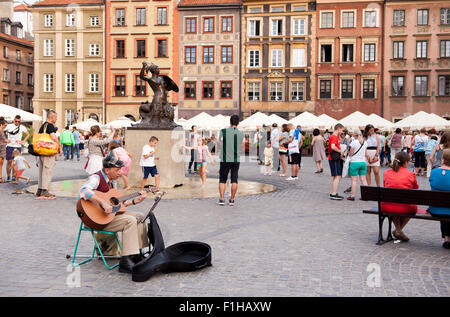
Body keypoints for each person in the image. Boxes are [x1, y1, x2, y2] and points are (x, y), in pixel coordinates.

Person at [78, 156, 150, 273]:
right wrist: (102, 202)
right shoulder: (96, 177)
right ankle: (126, 260)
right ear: (107, 170)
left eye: (120, 170)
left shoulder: (112, 183)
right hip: (97, 219)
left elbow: (118, 204)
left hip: (109, 217)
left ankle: (138, 253)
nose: (120, 173)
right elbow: (83, 191)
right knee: (130, 220)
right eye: (117, 170)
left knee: (140, 217)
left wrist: (134, 201)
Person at [381, 152, 419, 241]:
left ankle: (398, 229)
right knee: (409, 207)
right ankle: (398, 230)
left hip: (387, 206)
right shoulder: (410, 174)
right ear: (406, 162)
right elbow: (415, 189)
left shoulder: (386, 173)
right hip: (405, 207)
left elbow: (385, 186)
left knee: (394, 202)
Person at [218, 115, 244, 206]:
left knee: (222, 180)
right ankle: (232, 200)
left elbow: (220, 143)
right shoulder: (241, 133)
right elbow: (240, 144)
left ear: (230, 122)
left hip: (225, 158)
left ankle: (221, 199)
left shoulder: (223, 131)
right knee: (234, 179)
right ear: (238, 123)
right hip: (236, 159)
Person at [36, 110, 62, 199]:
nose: (56, 119)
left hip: (41, 152)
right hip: (48, 152)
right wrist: (60, 148)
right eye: (56, 117)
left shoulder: (43, 126)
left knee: (42, 171)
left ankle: (40, 189)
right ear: (52, 117)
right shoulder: (50, 126)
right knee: (47, 171)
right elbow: (54, 138)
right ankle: (44, 190)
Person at [429, 149, 450, 249]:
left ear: (443, 160)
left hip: (436, 209)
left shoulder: (434, 172)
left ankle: (447, 239)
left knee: (444, 205)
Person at [5, 115, 29, 182]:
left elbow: (28, 134)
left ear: (20, 121)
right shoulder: (9, 126)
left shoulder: (22, 127)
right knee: (9, 161)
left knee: (15, 162)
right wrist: (5, 139)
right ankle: (8, 175)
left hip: (18, 146)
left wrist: (24, 141)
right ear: (14, 120)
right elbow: (1, 130)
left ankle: (13, 176)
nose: (17, 122)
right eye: (16, 121)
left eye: (19, 121)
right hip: (10, 145)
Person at [347, 129, 368, 201]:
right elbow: (365, 153)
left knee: (354, 180)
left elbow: (351, 154)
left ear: (354, 135)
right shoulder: (365, 142)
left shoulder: (353, 142)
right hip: (363, 162)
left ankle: (352, 196)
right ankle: (366, 195)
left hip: (354, 162)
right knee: (363, 179)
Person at [328, 123, 345, 200]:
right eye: (342, 130)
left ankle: (333, 192)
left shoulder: (333, 136)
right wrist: (340, 151)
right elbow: (333, 147)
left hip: (332, 158)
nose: (342, 132)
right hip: (334, 158)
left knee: (335, 176)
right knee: (338, 175)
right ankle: (333, 194)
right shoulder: (334, 137)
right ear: (338, 129)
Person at [0, 117, 8, 183]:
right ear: (1, 124)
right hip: (1, 149)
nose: (5, 127)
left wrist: (6, 140)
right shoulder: (0, 131)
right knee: (0, 164)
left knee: (1, 164)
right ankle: (0, 178)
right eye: (5, 125)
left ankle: (0, 177)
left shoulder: (2, 131)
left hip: (3, 149)